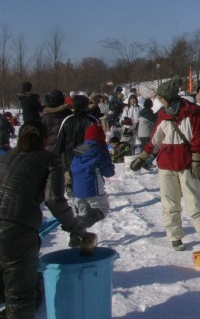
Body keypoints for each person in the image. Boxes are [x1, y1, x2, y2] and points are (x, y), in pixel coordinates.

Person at [0, 121, 96, 318]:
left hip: (11, 228)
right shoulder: (49, 159)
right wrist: (76, 229)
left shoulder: (6, 157)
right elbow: (54, 199)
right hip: (15, 231)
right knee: (19, 297)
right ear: (45, 140)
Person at [130, 77, 200, 251]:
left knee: (194, 202)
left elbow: (199, 138)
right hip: (166, 165)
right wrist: (143, 157)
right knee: (169, 204)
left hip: (186, 164)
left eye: (161, 98)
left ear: (169, 97)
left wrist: (197, 159)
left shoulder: (192, 113)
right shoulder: (163, 115)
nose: (159, 101)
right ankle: (175, 237)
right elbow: (155, 140)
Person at [70, 123, 114, 242]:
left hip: (77, 190)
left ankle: (76, 238)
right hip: (92, 188)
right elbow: (109, 172)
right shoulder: (99, 150)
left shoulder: (79, 150)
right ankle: (79, 227)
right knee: (102, 209)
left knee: (83, 214)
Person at [55, 95, 100, 197]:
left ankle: (78, 201)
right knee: (88, 180)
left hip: (71, 156)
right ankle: (86, 203)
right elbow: (99, 141)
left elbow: (60, 141)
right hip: (88, 156)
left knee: (75, 179)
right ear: (86, 106)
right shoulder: (92, 120)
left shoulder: (67, 120)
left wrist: (56, 157)